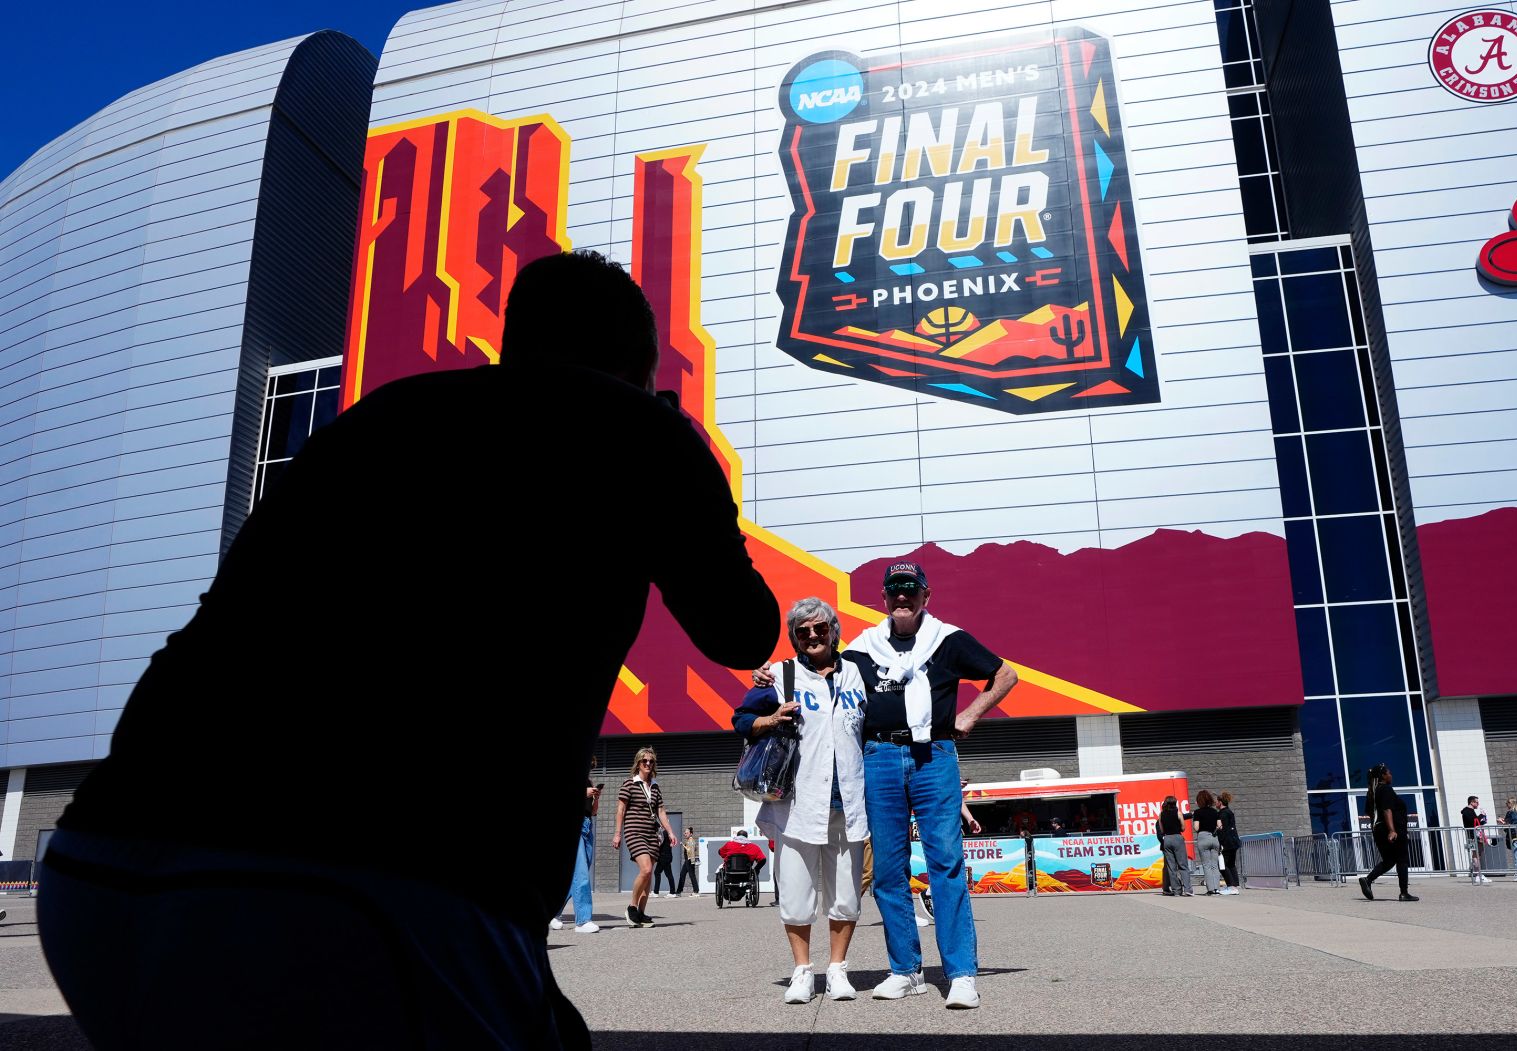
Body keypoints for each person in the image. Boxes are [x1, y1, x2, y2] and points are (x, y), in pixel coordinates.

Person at [36, 249, 780, 1050]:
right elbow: (743, 628)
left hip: (102, 867)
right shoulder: (639, 431)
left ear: (513, 336)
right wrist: (680, 456)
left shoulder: (384, 412)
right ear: (638, 365)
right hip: (371, 885)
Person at [762, 561, 1018, 1010]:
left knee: (946, 863)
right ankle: (906, 970)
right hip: (878, 759)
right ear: (883, 598)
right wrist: (769, 676)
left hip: (932, 756)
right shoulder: (864, 649)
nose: (902, 596)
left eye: (910, 589)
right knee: (887, 872)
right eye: (894, 590)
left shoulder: (949, 639)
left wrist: (970, 715)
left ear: (926, 595)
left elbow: (1005, 675)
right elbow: (814, 666)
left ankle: (960, 974)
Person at [734, 597, 869, 1004]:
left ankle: (839, 969)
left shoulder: (857, 674)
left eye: (820, 628)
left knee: (846, 892)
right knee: (796, 891)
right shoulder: (778, 675)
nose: (812, 635)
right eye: (802, 631)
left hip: (848, 800)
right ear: (794, 637)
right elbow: (741, 720)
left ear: (834, 631)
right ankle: (802, 971)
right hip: (796, 804)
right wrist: (771, 719)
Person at [615, 748, 679, 927]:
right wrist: (618, 833)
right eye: (645, 761)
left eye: (651, 761)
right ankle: (631, 908)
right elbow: (620, 809)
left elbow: (661, 811)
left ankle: (641, 913)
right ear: (638, 763)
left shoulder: (656, 786)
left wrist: (671, 832)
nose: (648, 764)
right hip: (634, 832)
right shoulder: (629, 784)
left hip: (652, 834)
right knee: (646, 869)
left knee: (649, 874)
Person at [1358, 763, 1418, 902]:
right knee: (1402, 860)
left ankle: (1368, 880)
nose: (1391, 775)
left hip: (1379, 830)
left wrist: (1379, 827)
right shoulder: (1385, 789)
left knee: (1390, 860)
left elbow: (1369, 812)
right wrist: (1391, 830)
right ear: (1383, 776)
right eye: (1388, 773)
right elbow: (1387, 809)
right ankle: (1404, 893)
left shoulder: (1372, 792)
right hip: (1391, 830)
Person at [550, 777, 603, 933]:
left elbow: (593, 811)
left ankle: (552, 913)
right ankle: (583, 921)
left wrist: (596, 798)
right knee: (580, 874)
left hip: (587, 827)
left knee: (576, 875)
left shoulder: (589, 782)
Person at [1191, 790, 1224, 896]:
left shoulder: (1197, 812)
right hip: (1214, 838)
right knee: (1214, 865)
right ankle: (1217, 889)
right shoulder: (1215, 812)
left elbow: (1196, 827)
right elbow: (1220, 826)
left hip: (1203, 837)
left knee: (1206, 865)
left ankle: (1210, 889)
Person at [1158, 796, 1190, 897]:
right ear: (1175, 803)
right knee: (1183, 865)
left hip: (1167, 839)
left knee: (1171, 867)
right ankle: (1188, 889)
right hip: (1177, 837)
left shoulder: (1161, 814)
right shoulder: (1178, 813)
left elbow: (1162, 830)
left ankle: (1176, 891)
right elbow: (1183, 828)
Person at [1217, 791, 1242, 895]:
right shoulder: (1229, 812)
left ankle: (1231, 886)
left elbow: (1222, 829)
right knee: (1231, 864)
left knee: (1223, 865)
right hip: (1234, 841)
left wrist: (1220, 842)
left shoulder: (1222, 814)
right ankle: (1235, 886)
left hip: (1227, 842)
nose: (1215, 803)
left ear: (1220, 802)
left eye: (1217, 802)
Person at [1462, 795, 1491, 884]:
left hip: (1476, 835)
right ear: (1472, 802)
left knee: (1478, 853)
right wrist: (1481, 815)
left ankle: (1478, 874)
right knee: (1476, 854)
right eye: (1477, 802)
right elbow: (1472, 822)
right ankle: (1478, 875)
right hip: (1472, 836)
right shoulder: (1467, 811)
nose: (1478, 804)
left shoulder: (1471, 811)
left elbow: (1475, 822)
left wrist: (1483, 821)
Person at [654, 827, 678, 898]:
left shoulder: (665, 833)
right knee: (659, 872)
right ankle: (656, 892)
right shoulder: (669, 833)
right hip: (665, 857)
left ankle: (672, 892)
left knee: (666, 874)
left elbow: (660, 844)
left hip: (664, 857)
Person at [678, 827, 700, 896]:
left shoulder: (691, 841)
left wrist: (692, 861)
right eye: (685, 833)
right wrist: (683, 845)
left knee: (691, 875)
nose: (685, 834)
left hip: (690, 860)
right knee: (682, 874)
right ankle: (679, 891)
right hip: (687, 860)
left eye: (687, 833)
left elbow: (692, 851)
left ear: (691, 834)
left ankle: (696, 891)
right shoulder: (689, 841)